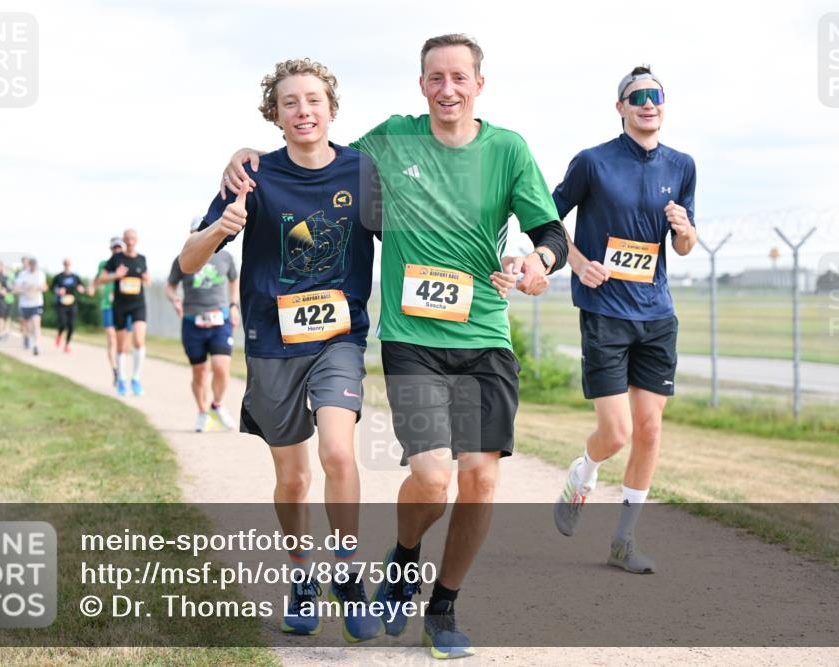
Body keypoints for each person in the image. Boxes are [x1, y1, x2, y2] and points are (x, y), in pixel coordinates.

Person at [220, 35, 567, 659]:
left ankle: (444, 607)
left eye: (460, 77)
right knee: (433, 479)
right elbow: (314, 152)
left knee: (481, 480)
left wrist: (537, 263)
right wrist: (248, 155)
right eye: (436, 77)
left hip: (485, 330)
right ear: (422, 84)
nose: (448, 89)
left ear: (479, 84)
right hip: (411, 338)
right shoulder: (389, 141)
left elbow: (549, 232)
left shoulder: (508, 149)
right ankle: (404, 560)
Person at [183, 58, 383, 642]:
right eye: (291, 102)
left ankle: (347, 574)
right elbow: (189, 261)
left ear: (332, 108)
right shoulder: (252, 176)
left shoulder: (362, 172)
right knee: (293, 479)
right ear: (275, 114)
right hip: (272, 343)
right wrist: (224, 227)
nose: (304, 111)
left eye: (314, 100)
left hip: (339, 339)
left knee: (340, 455)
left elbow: (406, 235)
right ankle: (301, 576)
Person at [551, 65, 697, 574]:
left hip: (657, 314)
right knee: (616, 434)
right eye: (637, 97)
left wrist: (683, 231)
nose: (648, 103)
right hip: (605, 311)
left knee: (650, 431)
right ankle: (584, 472)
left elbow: (683, 245)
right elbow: (546, 220)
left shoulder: (682, 165)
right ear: (621, 108)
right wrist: (578, 262)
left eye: (656, 95)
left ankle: (624, 541)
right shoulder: (593, 162)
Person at [167, 217, 240, 432]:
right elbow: (170, 287)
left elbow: (234, 280)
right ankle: (202, 412)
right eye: (195, 232)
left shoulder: (225, 257)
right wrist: (175, 299)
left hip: (220, 320)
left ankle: (217, 405)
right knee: (199, 372)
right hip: (192, 321)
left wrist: (234, 305)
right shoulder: (182, 259)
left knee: (221, 367)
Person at [97, 229, 149, 396]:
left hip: (138, 305)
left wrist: (147, 279)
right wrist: (115, 275)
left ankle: (135, 378)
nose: (130, 241)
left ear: (137, 239)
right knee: (122, 347)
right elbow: (101, 279)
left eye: (133, 238)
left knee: (139, 341)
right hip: (120, 305)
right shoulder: (116, 259)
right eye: (127, 238)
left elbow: (147, 280)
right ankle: (121, 379)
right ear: (125, 240)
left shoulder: (142, 259)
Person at [91, 237, 127, 384]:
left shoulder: (127, 264)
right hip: (108, 306)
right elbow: (98, 280)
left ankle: (121, 368)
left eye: (119, 248)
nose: (117, 250)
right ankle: (115, 370)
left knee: (122, 342)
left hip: (125, 305)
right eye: (114, 248)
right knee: (112, 338)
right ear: (110, 249)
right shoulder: (104, 265)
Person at [14, 256, 48, 356]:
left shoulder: (40, 274)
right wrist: (26, 288)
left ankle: (36, 345)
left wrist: (39, 287)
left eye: (35, 265)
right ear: (29, 265)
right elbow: (16, 288)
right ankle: (26, 337)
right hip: (25, 304)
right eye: (31, 265)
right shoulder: (23, 274)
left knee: (36, 323)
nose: (33, 267)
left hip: (36, 303)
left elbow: (45, 287)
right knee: (27, 326)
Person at [51, 258, 86, 353]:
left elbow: (81, 286)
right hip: (61, 304)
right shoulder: (58, 277)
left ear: (70, 265)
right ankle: (59, 334)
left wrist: (81, 289)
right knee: (62, 323)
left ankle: (67, 345)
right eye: (65, 263)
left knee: (71, 325)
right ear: (63, 264)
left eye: (68, 263)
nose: (67, 265)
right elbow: (52, 288)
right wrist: (58, 291)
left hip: (72, 303)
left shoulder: (75, 277)